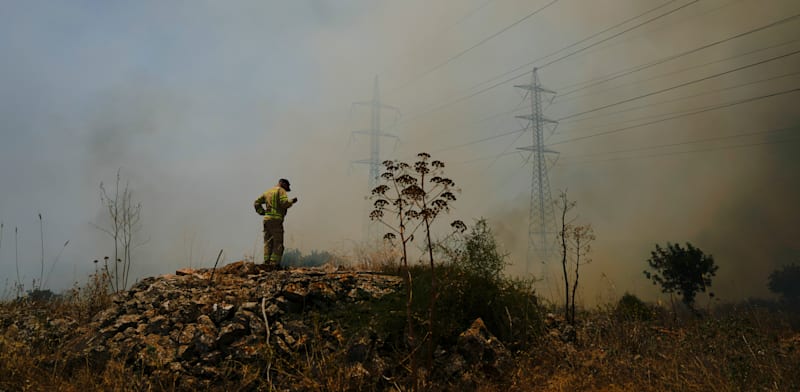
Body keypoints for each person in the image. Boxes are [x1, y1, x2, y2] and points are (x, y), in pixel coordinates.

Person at [254, 178, 297, 267]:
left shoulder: (267, 192)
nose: (286, 189)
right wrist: (292, 201)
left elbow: (256, 202)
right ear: (283, 184)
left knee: (268, 242)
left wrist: (262, 212)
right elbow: (284, 203)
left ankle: (266, 262)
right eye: (286, 187)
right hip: (276, 221)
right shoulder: (281, 191)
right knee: (278, 243)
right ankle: (274, 264)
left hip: (266, 220)